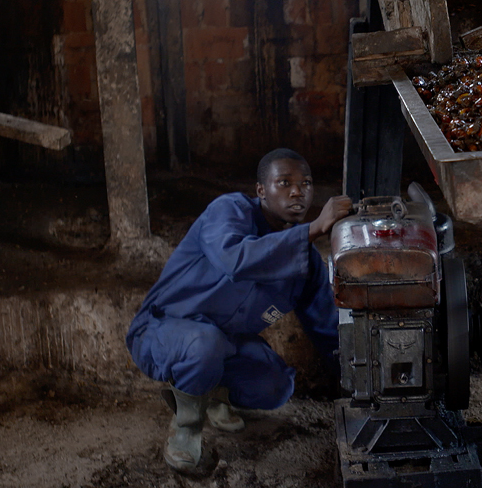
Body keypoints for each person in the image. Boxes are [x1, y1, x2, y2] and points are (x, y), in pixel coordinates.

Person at [125, 148, 353, 472]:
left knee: (277, 385)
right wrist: (314, 229)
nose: (297, 192)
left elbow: (328, 330)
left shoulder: (307, 266)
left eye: (306, 184)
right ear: (261, 190)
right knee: (205, 345)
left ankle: (213, 394)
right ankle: (185, 431)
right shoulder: (229, 210)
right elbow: (235, 259)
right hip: (162, 330)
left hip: (224, 345)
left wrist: (361, 380)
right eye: (284, 182)